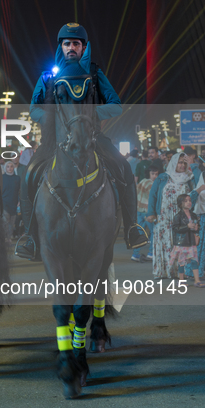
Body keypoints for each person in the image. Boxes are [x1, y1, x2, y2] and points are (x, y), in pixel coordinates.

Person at [16, 22, 148, 260]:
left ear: (84, 47)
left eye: (76, 43)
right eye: (67, 43)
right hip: (54, 141)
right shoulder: (48, 77)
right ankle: (29, 237)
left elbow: (115, 105)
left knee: (124, 168)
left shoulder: (95, 74)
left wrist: (90, 116)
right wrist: (53, 118)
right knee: (29, 174)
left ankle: (132, 228)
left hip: (94, 137)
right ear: (61, 46)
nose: (71, 48)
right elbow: (34, 108)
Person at [147, 153, 201, 280]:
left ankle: (179, 272)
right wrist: (151, 213)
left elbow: (200, 185)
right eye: (180, 162)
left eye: (184, 163)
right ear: (174, 162)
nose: (182, 165)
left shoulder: (190, 178)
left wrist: (193, 165)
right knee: (164, 243)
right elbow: (153, 195)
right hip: (164, 218)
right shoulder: (163, 177)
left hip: (182, 219)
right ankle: (163, 271)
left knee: (180, 243)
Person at [169, 194, 203, 287]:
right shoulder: (178, 216)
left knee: (194, 260)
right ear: (180, 203)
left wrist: (196, 228)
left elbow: (197, 225)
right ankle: (181, 281)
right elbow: (175, 228)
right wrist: (187, 226)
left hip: (191, 241)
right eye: (185, 201)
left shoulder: (193, 215)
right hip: (182, 242)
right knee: (182, 262)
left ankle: (197, 280)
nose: (188, 202)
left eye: (189, 200)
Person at [131, 165, 159, 262]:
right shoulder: (152, 184)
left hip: (139, 211)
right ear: (149, 174)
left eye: (156, 174)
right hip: (148, 212)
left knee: (140, 232)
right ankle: (151, 253)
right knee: (153, 232)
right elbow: (153, 199)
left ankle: (135, 254)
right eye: (153, 174)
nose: (154, 176)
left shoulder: (142, 181)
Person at [2, 161, 21, 246]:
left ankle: (9, 237)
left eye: (11, 166)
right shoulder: (2, 178)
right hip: (4, 202)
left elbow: (19, 191)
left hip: (14, 203)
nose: (9, 168)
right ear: (5, 168)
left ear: (13, 168)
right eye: (8, 166)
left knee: (11, 222)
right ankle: (5, 237)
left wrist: (19, 200)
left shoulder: (17, 178)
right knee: (5, 221)